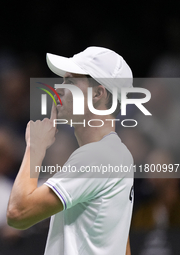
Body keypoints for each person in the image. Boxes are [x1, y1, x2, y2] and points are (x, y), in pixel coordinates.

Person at [7, 47, 134, 255]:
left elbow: (17, 213)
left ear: (98, 93)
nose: (59, 88)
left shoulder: (97, 157)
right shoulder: (119, 154)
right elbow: (122, 244)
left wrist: (35, 147)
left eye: (71, 82)